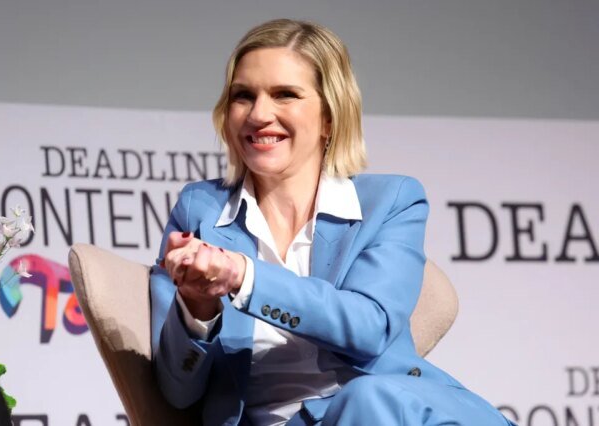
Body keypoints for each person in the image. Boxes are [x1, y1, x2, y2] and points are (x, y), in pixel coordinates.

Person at [150, 19, 514, 426]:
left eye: (285, 94)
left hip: (382, 412)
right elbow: (176, 391)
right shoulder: (199, 210)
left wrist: (244, 277)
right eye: (243, 96)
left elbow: (368, 328)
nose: (259, 113)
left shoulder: (390, 201)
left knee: (366, 398)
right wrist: (196, 309)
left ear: (329, 116)